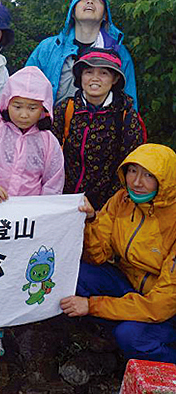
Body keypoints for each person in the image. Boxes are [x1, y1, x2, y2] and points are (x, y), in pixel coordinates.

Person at [0, 66, 65, 363]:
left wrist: (40, 220)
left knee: (8, 278)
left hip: (23, 228)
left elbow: (52, 185)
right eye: (17, 106)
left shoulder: (48, 143)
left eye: (32, 108)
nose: (24, 113)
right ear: (6, 103)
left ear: (44, 109)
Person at [60, 144, 176, 364]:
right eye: (132, 171)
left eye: (148, 175)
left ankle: (165, 367)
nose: (137, 182)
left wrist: (92, 305)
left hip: (165, 308)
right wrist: (92, 219)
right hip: (128, 285)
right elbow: (96, 257)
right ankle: (121, 331)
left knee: (130, 336)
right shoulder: (123, 200)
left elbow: (160, 305)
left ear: (165, 180)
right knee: (76, 274)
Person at [52, 50, 145, 210]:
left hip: (105, 206)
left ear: (115, 79)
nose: (95, 78)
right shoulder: (66, 108)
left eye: (103, 73)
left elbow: (129, 166)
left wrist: (108, 207)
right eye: (89, 72)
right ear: (80, 76)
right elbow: (49, 153)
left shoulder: (126, 117)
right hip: (62, 200)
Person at [26, 0, 138, 110]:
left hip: (102, 127)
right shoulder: (47, 48)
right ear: (72, 13)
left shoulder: (118, 52)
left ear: (105, 15)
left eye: (97, 0)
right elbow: (25, 87)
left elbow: (129, 99)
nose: (90, 2)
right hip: (49, 125)